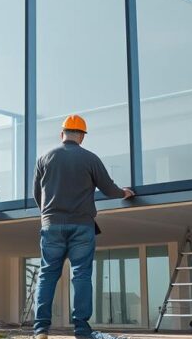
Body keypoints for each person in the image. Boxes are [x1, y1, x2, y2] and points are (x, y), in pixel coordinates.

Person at [32, 114, 134, 339]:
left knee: (47, 275)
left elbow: (37, 194)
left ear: (62, 134)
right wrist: (123, 192)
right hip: (82, 226)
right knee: (81, 275)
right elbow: (108, 188)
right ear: (82, 137)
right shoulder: (90, 158)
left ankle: (40, 330)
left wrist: (48, 215)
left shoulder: (44, 158)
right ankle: (81, 330)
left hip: (51, 225)